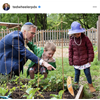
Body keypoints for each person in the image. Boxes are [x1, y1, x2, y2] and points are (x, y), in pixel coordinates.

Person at [68, 21, 96, 93]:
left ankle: (90, 85)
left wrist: (90, 58)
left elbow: (90, 48)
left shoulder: (85, 38)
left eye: (79, 33)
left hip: (85, 60)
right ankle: (76, 85)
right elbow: (70, 51)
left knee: (87, 73)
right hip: (76, 61)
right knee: (77, 74)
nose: (78, 34)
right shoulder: (71, 40)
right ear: (73, 33)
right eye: (76, 33)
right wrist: (71, 60)